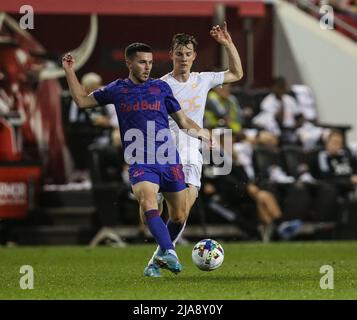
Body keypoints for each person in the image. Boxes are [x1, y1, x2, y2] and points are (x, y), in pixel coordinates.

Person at [62, 43, 210, 277]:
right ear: (128, 63)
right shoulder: (117, 89)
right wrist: (70, 71)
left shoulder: (161, 88)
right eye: (142, 62)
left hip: (169, 159)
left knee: (180, 215)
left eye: (150, 62)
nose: (147, 67)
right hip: (141, 161)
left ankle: (156, 261)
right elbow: (82, 100)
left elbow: (182, 121)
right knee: (148, 204)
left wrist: (203, 133)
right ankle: (170, 251)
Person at [145, 21, 243, 276]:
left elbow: (236, 74)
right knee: (175, 213)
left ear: (194, 56)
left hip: (192, 151)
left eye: (188, 54)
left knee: (181, 215)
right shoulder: (160, 85)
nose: (184, 58)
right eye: (179, 54)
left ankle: (157, 259)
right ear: (172, 55)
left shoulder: (203, 80)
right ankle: (160, 257)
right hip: (166, 151)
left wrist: (228, 44)